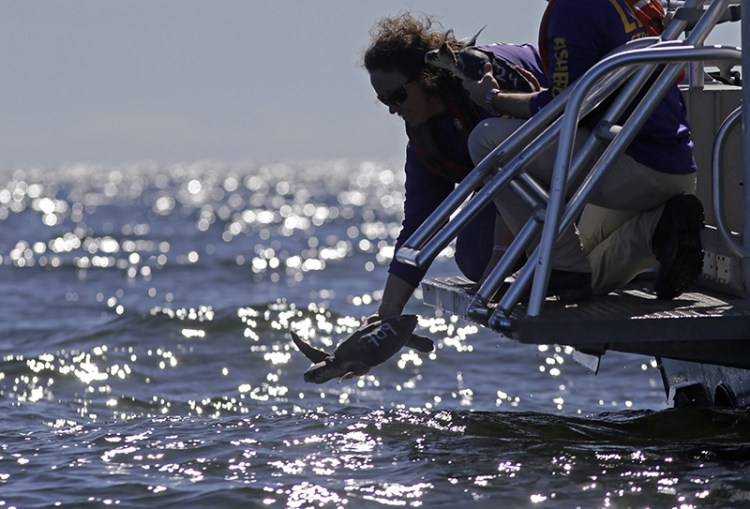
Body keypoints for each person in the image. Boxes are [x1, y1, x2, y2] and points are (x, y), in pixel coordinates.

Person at [462, 0, 704, 301]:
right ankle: (658, 228)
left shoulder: (572, 9)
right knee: (583, 265)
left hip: (633, 168)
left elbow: (564, 106)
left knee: (486, 139)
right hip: (675, 166)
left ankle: (561, 267)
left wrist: (492, 98)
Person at [362, 13, 548, 321]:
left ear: (425, 77)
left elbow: (521, 165)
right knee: (473, 258)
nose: (394, 109)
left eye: (397, 95)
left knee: (493, 260)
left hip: (573, 160)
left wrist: (498, 265)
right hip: (518, 191)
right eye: (385, 102)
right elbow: (420, 227)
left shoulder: (480, 80)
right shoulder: (426, 136)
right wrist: (388, 311)